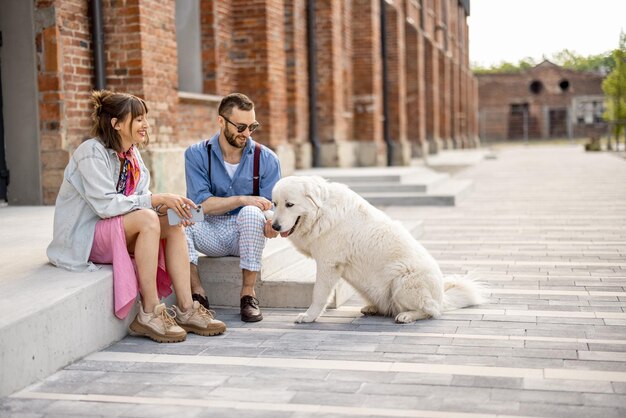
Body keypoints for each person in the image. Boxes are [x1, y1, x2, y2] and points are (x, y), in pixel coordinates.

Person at [47, 89, 226, 343]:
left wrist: (169, 206)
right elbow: (106, 206)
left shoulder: (132, 156)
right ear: (116, 124)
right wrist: (156, 201)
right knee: (148, 218)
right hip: (86, 236)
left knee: (172, 222)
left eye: (145, 118)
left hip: (118, 230)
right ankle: (149, 312)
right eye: (138, 118)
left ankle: (187, 309)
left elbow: (142, 200)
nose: (145, 124)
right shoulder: (91, 152)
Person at [184, 93, 281, 322]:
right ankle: (197, 294)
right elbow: (202, 205)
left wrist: (271, 223)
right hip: (209, 231)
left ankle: (248, 295)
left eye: (252, 126)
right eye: (240, 127)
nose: (247, 134)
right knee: (180, 215)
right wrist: (241, 199)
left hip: (245, 232)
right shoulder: (196, 154)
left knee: (250, 212)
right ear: (221, 121)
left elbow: (271, 208)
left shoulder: (267, 158)